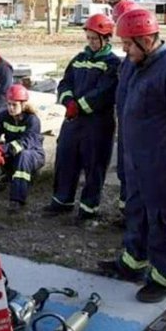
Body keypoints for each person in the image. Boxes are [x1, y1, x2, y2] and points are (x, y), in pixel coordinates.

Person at [97, 8, 166, 303]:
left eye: (128, 43)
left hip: (163, 159)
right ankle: (133, 262)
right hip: (137, 156)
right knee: (136, 209)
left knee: (163, 216)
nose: (123, 48)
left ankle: (163, 276)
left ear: (147, 41)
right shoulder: (135, 64)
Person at [42, 13, 121, 221]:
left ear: (106, 38)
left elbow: (104, 92)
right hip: (73, 120)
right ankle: (62, 201)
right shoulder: (79, 59)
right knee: (65, 158)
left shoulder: (112, 63)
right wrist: (68, 101)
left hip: (98, 123)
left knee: (94, 164)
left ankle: (88, 208)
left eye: (95, 39)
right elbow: (65, 83)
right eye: (89, 38)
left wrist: (80, 106)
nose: (91, 42)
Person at [0, 84, 45, 214]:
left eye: (14, 105)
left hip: (33, 154)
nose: (11, 108)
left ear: (23, 105)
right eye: (9, 104)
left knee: (22, 155)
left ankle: (17, 200)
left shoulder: (33, 120)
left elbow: (26, 142)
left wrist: (4, 149)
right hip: (12, 151)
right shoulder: (4, 116)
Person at [113, 0, 142, 213]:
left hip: (138, 130)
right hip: (125, 124)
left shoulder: (143, 61)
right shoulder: (128, 60)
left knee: (135, 172)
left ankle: (134, 215)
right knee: (124, 169)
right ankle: (126, 211)